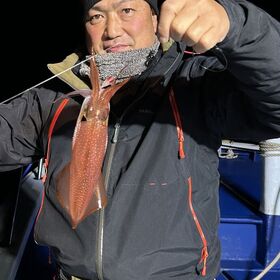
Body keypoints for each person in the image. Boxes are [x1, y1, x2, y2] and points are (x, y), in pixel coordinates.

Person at [0, 0, 280, 279]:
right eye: (96, 17)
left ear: (157, 20)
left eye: (127, 11)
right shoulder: (54, 101)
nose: (111, 30)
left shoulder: (193, 85)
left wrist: (236, 26)